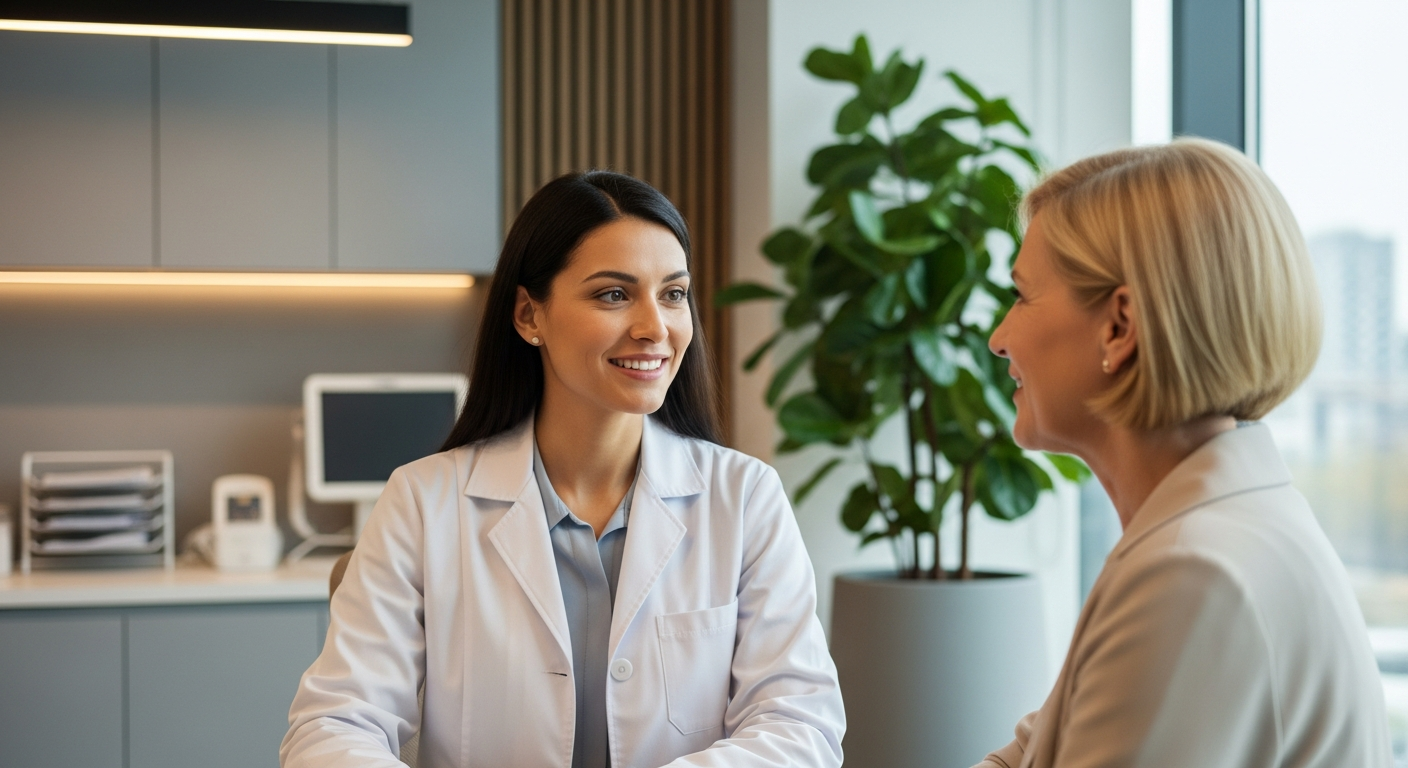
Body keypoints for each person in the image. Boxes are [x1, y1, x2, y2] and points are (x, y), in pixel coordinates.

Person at [281, 171, 845, 768]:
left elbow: (797, 724)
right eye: (614, 295)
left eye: (673, 294)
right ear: (529, 316)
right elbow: (334, 725)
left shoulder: (744, 497)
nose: (655, 327)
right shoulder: (423, 502)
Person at [977, 138, 1390, 767]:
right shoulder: (1207, 534)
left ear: (1120, 326)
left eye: (1024, 297)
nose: (999, 338)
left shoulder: (1190, 573)